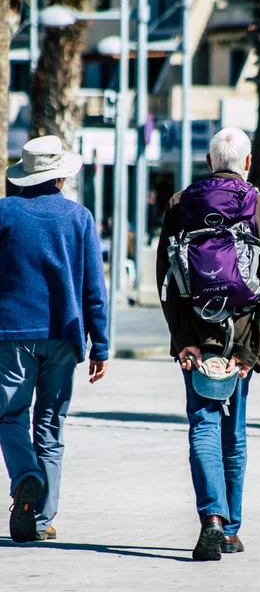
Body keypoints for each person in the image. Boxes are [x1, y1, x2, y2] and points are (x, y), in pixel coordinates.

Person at [156, 127, 260, 561]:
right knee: (235, 433)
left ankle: (210, 518)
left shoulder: (180, 204)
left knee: (204, 425)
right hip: (240, 342)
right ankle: (229, 530)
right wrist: (253, 352)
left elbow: (166, 281)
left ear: (210, 163)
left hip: (198, 339)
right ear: (247, 163)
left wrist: (183, 342)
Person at [0, 135, 109, 543]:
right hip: (64, 336)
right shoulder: (79, 218)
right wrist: (101, 345)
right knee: (50, 425)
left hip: (12, 334)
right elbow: (94, 289)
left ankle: (24, 477)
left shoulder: (5, 212)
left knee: (10, 417)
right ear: (61, 177)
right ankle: (41, 519)